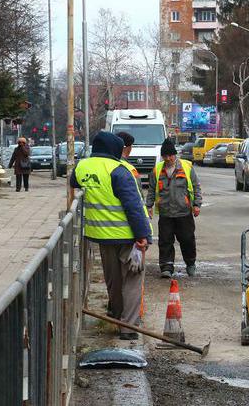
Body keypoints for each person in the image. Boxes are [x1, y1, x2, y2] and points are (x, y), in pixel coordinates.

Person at [71, 131, 152, 340]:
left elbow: (74, 184)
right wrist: (143, 235)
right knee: (132, 279)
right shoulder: (120, 169)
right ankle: (128, 327)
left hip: (100, 234)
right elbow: (133, 206)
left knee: (113, 280)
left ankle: (116, 317)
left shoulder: (82, 167)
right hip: (127, 236)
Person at [146, 139, 202, 278]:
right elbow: (152, 189)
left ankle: (190, 264)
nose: (168, 158)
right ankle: (166, 267)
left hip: (184, 212)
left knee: (187, 239)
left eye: (171, 155)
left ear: (175, 155)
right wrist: (149, 205)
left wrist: (196, 205)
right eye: (165, 156)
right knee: (165, 241)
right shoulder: (157, 170)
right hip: (166, 213)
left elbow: (196, 187)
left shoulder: (186, 167)